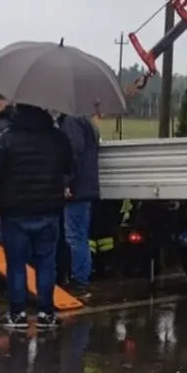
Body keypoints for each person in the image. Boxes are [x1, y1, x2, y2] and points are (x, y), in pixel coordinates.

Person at [0, 103, 73, 330]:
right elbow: (68, 168)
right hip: (48, 209)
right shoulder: (57, 138)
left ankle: (17, 315)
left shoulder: (7, 138)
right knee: (47, 263)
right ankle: (46, 313)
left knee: (16, 264)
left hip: (14, 211)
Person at [58, 113, 101, 297]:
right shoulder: (86, 121)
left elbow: (72, 151)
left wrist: (67, 181)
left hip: (77, 188)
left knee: (75, 236)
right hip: (86, 186)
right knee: (80, 236)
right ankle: (81, 279)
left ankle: (79, 282)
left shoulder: (71, 120)